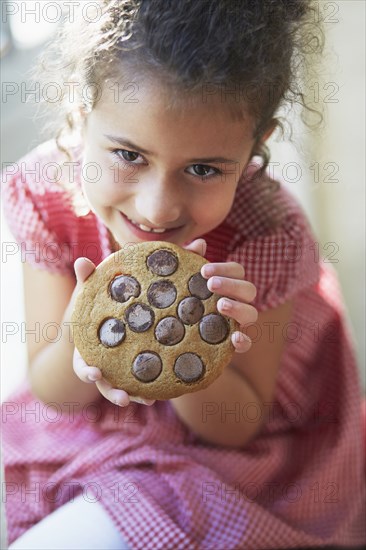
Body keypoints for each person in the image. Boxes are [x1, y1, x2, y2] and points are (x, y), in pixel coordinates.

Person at [1, 1, 365, 548]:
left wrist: (200, 354)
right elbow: (54, 394)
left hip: (235, 445)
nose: (157, 207)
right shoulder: (47, 194)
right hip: (90, 418)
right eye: (128, 154)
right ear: (81, 112)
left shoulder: (267, 236)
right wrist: (82, 338)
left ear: (255, 147)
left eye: (203, 169)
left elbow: (236, 425)